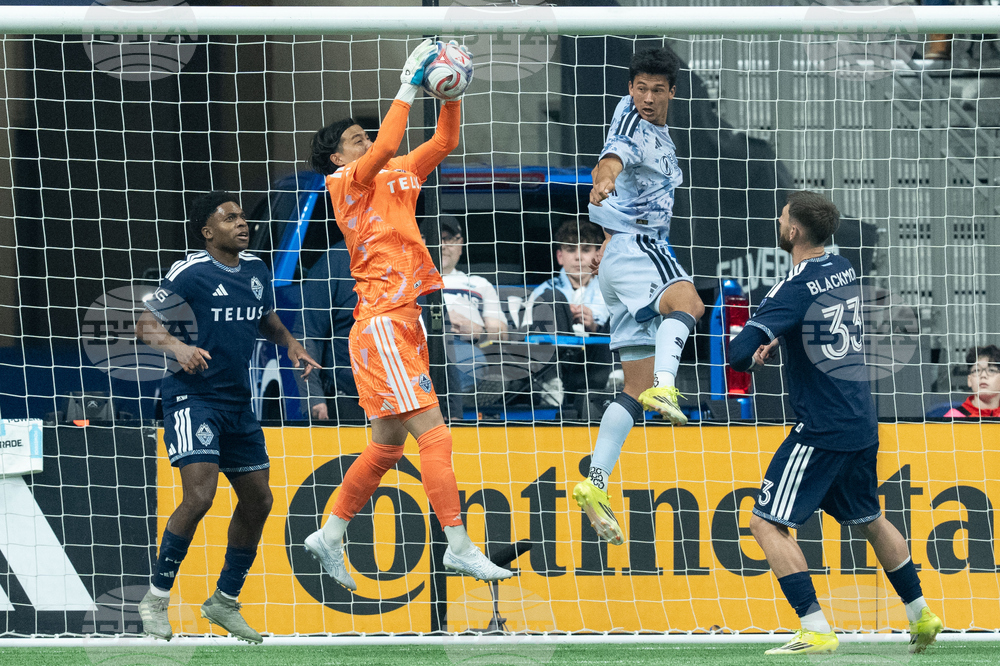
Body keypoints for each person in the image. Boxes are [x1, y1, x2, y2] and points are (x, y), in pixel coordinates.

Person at [303, 39, 512, 588]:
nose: (367, 142)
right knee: (435, 437)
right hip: (382, 322)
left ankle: (329, 535)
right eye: (356, 139)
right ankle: (459, 545)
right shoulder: (344, 184)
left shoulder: (397, 173)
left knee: (386, 446)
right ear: (337, 157)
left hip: (401, 320)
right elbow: (388, 143)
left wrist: (453, 93)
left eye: (366, 136)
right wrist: (408, 82)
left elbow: (444, 141)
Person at [727, 191, 942, 655]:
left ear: (793, 231)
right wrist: (783, 337)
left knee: (765, 524)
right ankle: (921, 612)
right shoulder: (843, 267)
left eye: (782, 217)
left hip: (822, 426)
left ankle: (815, 628)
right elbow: (819, 320)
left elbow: (738, 355)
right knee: (870, 518)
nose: (778, 221)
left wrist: (758, 347)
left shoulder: (791, 287)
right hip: (861, 417)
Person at [135, 192, 320, 643]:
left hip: (238, 404)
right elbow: (145, 323)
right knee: (201, 496)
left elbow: (265, 318)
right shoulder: (190, 272)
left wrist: (291, 344)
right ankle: (156, 598)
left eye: (242, 217)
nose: (242, 223)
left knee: (259, 500)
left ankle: (224, 600)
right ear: (207, 231)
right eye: (230, 218)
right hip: (193, 399)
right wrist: (177, 347)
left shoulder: (256, 270)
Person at [573, 48, 706, 546]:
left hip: (618, 256)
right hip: (640, 246)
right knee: (689, 305)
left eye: (657, 90)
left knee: (633, 384)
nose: (647, 98)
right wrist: (604, 179)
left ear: (672, 92)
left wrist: (609, 226)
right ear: (630, 89)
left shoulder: (657, 133)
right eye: (640, 88)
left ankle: (596, 481)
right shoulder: (632, 123)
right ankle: (667, 388)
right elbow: (613, 158)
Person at [526, 218, 613, 417]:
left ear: (597, 255)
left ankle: (617, 381)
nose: (578, 257)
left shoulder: (608, 289)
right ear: (560, 256)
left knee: (620, 309)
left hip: (597, 363)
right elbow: (528, 334)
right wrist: (562, 314)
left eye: (585, 250)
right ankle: (551, 384)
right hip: (560, 365)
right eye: (571, 250)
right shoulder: (544, 290)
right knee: (552, 299)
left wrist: (593, 325)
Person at [438, 216, 507, 413]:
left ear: (460, 244)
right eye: (436, 238)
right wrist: (441, 320)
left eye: (448, 239)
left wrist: (478, 331)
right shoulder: (408, 282)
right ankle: (452, 399)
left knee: (470, 359)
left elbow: (502, 332)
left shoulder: (479, 284)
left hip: (466, 346)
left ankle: (444, 400)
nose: (443, 245)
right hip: (422, 345)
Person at [293, 239, 366, 423]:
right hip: (349, 398)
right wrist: (314, 397)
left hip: (408, 397)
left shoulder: (412, 257)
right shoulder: (337, 260)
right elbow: (308, 333)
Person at [944, 345, 1000, 417]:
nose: (983, 375)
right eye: (977, 370)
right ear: (969, 380)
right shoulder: (954, 417)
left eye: (991, 370)